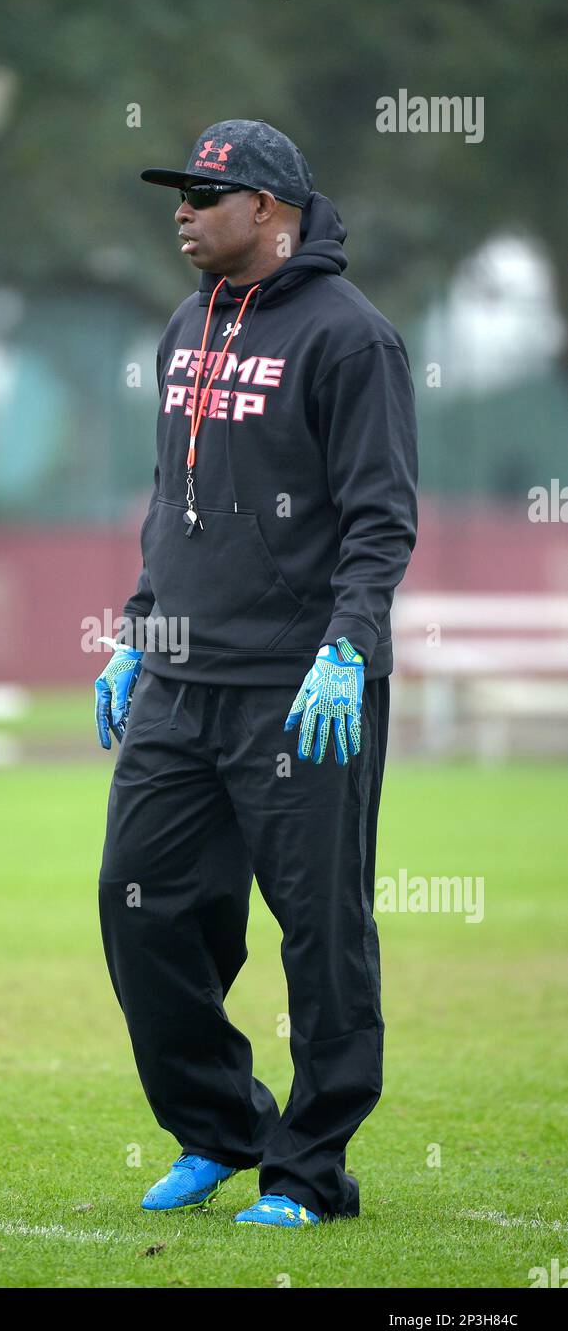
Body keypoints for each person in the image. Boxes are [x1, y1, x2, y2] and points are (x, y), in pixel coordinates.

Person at [95, 119, 418, 1227]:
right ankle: (220, 1128)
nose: (181, 209)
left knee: (319, 929)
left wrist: (348, 646)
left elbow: (382, 519)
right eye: (179, 192)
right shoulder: (184, 324)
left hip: (303, 688)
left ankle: (310, 1169)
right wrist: (139, 627)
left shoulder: (351, 338)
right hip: (182, 680)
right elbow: (166, 500)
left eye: (204, 194)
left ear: (269, 211)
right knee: (138, 906)